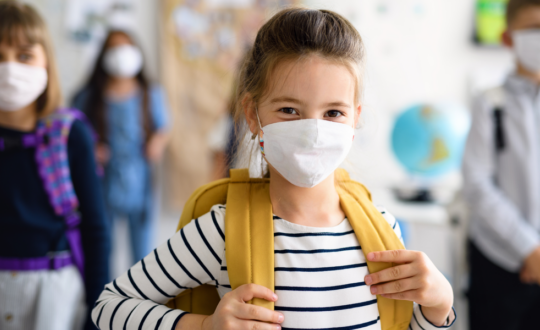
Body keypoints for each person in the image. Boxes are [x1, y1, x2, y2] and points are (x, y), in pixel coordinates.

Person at [91, 8, 456, 330]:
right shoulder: (220, 230)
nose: (313, 130)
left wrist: (440, 306)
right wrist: (205, 326)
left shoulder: (383, 231)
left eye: (333, 113)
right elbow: (108, 308)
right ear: (252, 114)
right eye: (289, 110)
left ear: (355, 118)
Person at [0, 2, 110, 330]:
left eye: (24, 55)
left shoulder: (71, 135)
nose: (8, 68)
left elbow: (96, 230)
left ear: (46, 63)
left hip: (56, 292)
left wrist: (97, 312)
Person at [463, 0, 540, 328]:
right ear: (508, 39)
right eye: (534, 29)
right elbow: (477, 184)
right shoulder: (490, 102)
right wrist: (530, 249)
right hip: (500, 262)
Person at [73, 30, 170, 265]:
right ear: (104, 56)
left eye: (126, 47)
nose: (121, 55)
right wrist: (90, 148)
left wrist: (156, 143)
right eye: (114, 48)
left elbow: (163, 127)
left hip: (141, 177)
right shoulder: (90, 95)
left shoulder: (150, 92)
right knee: (101, 241)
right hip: (102, 178)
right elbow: (73, 129)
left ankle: (140, 296)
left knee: (142, 245)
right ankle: (102, 295)